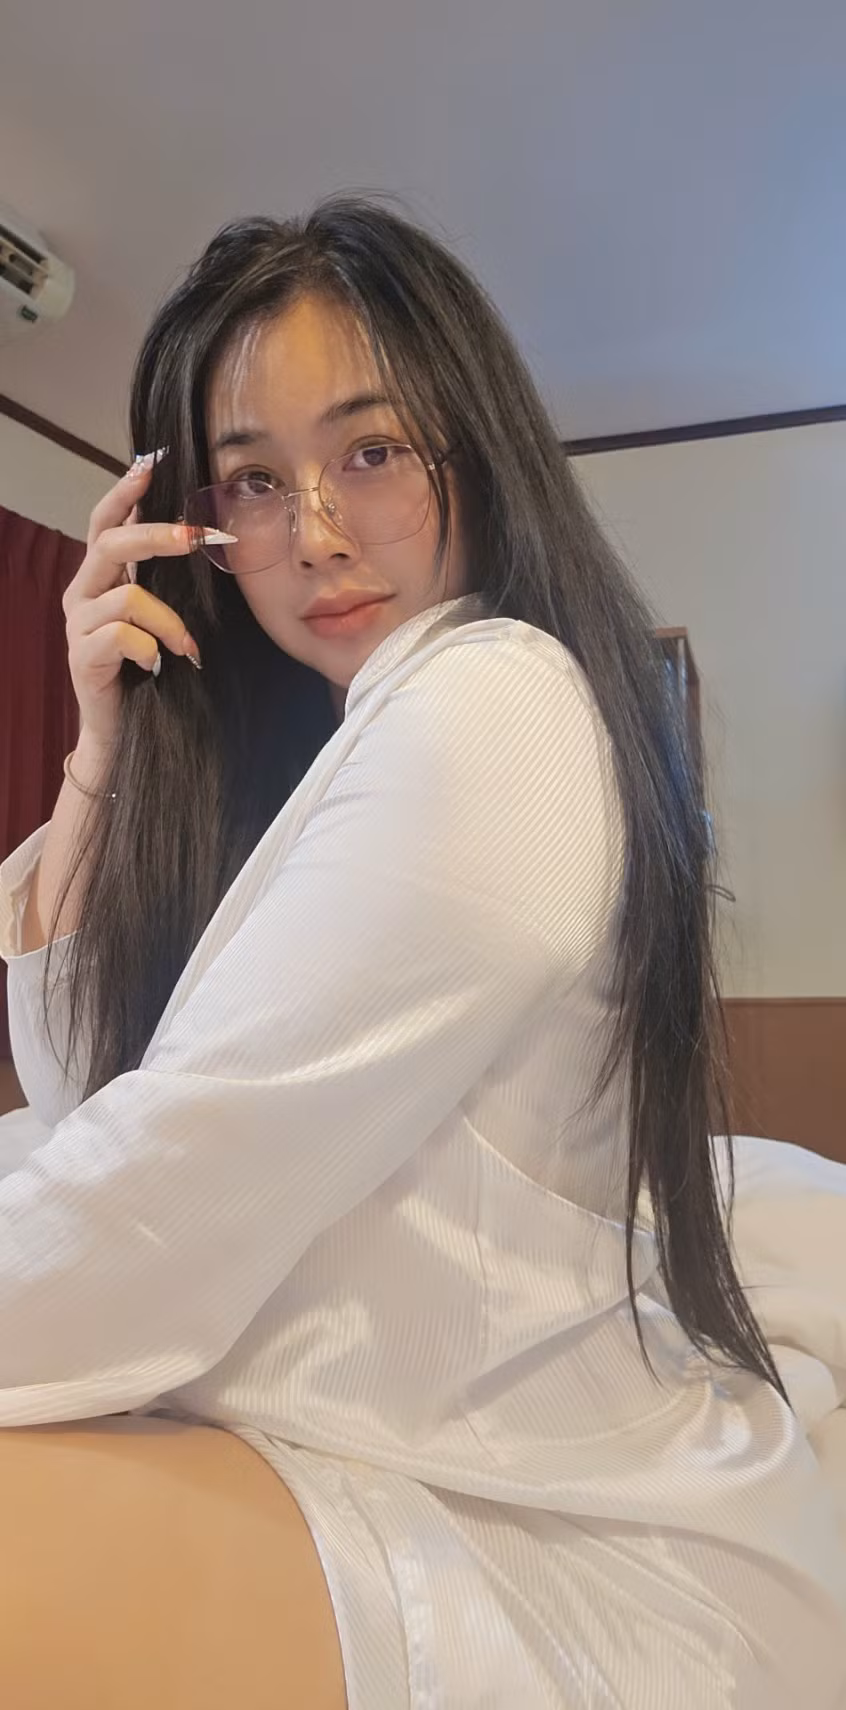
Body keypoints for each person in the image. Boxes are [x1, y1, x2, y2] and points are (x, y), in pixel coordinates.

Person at [0, 198, 843, 1710]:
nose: (316, 533)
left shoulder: (492, 707)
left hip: (531, 1518)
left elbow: (156, 1192)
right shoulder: (332, 752)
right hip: (359, 1432)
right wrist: (97, 757)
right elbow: (81, 1101)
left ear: (477, 448)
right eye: (256, 481)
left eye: (372, 451)